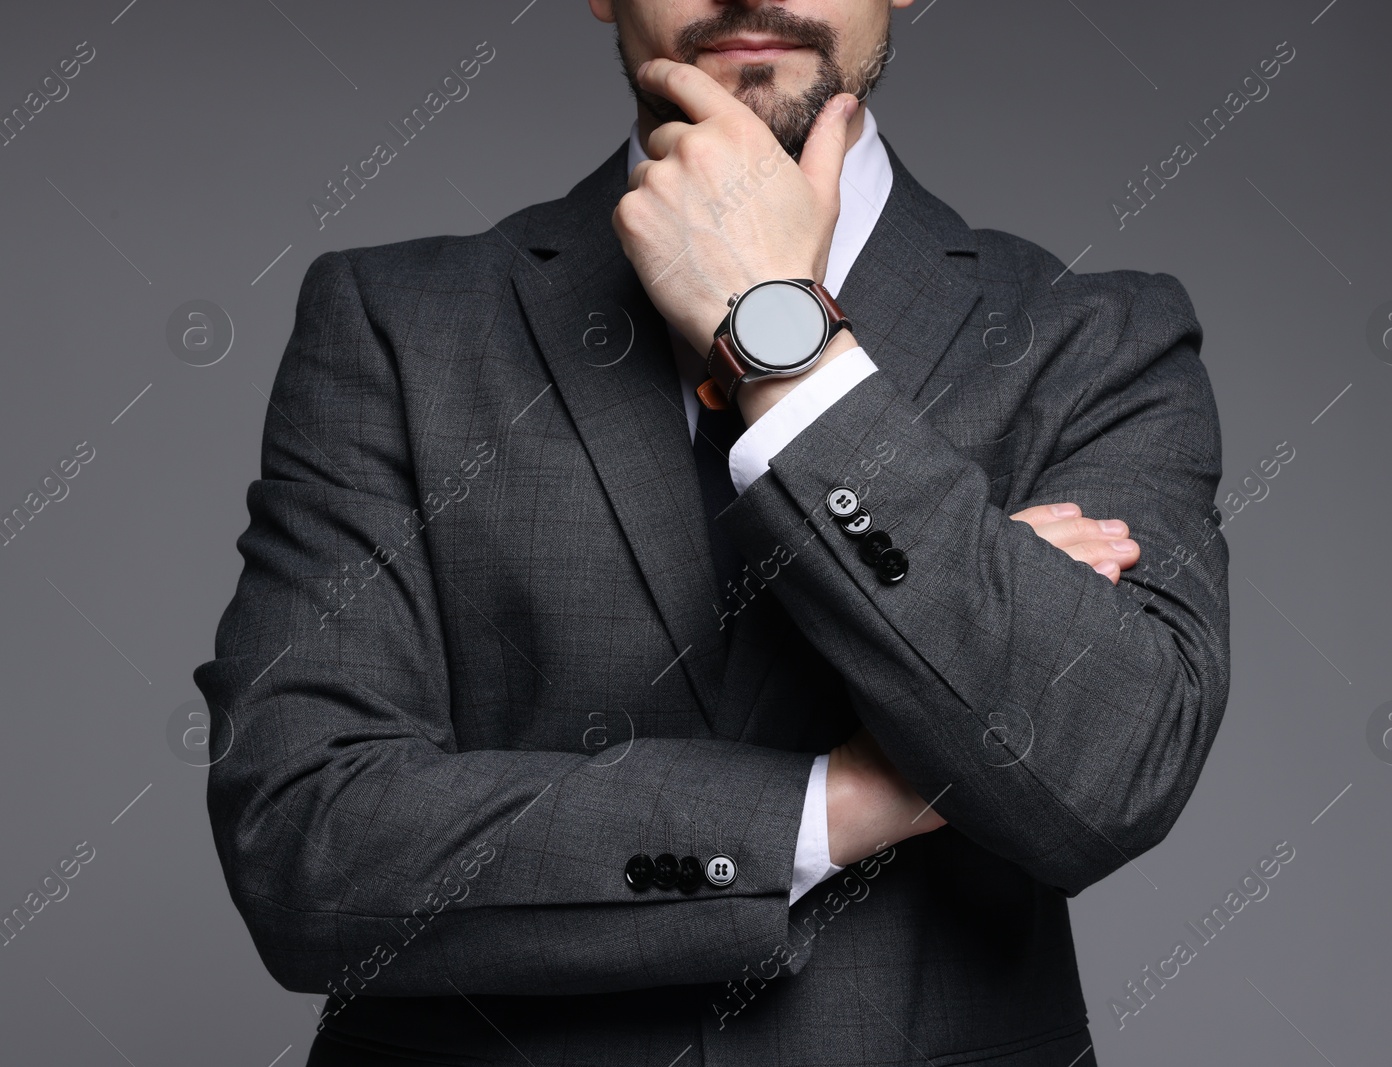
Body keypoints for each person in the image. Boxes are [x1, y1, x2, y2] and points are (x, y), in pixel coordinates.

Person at [196, 2, 1231, 1064]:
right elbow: (305, 848)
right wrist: (840, 805)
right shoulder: (397, 321)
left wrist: (782, 341)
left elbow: (1105, 775)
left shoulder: (1097, 337)